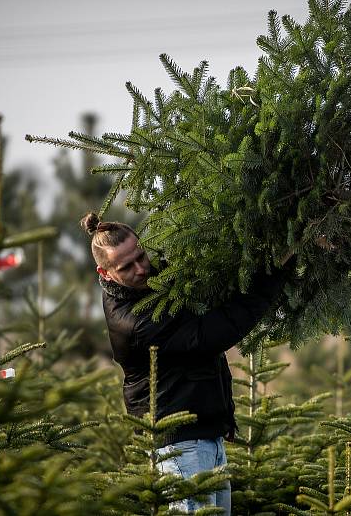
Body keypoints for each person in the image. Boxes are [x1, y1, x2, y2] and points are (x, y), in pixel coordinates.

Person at [81, 212, 285, 515]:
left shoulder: (158, 283)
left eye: (141, 256)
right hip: (180, 444)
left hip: (205, 433)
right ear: (106, 272)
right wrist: (275, 276)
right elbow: (213, 333)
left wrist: (223, 418)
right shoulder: (135, 323)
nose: (141, 268)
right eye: (127, 266)